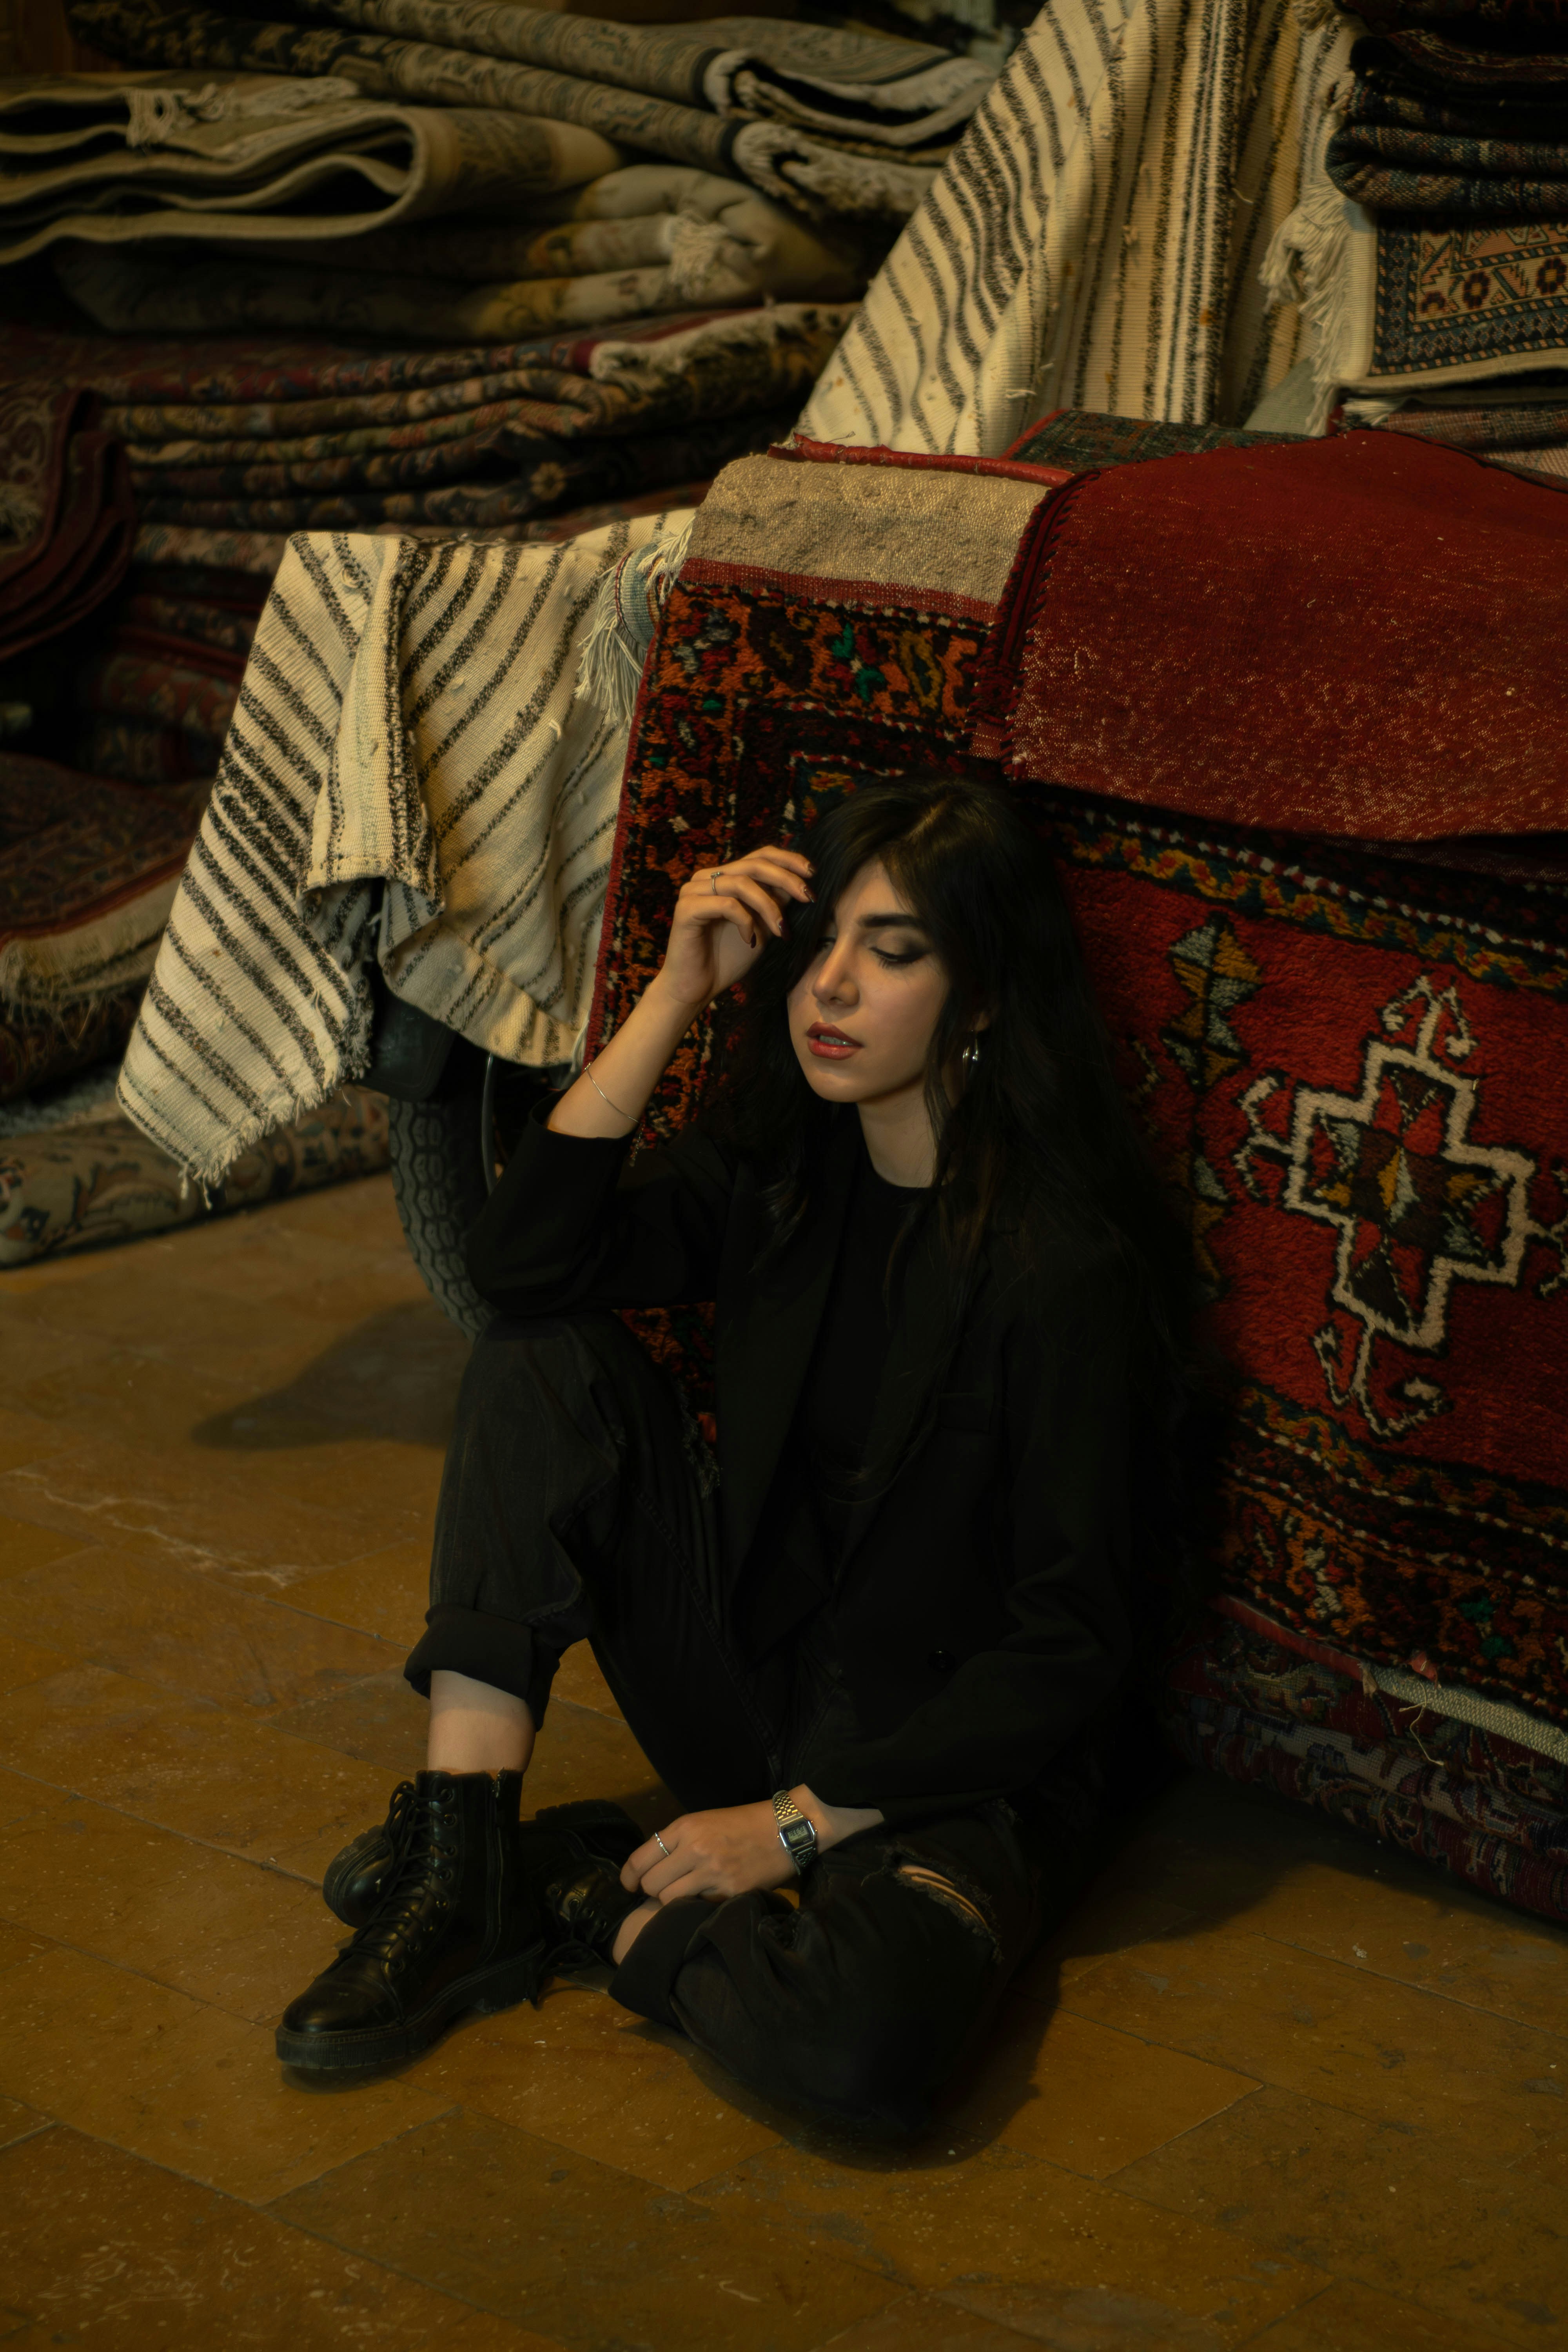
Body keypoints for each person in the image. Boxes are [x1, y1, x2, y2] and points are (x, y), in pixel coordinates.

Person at [276, 774, 1192, 2134]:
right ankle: (461, 1863)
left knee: (863, 2059)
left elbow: (1070, 1643)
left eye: (892, 955)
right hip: (755, 1693)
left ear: (987, 996)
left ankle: (606, 1910)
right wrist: (671, 998)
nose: (830, 988)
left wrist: (798, 1829)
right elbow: (520, 1270)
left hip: (939, 1774)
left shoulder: (1066, 1268)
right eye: (820, 945)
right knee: (540, 1357)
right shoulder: (780, 1171)